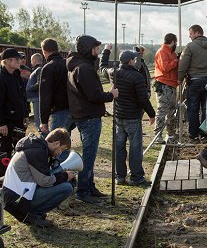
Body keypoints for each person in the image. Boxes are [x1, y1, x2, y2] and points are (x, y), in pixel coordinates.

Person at [66, 35, 119, 204]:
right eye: (96, 48)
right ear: (89, 49)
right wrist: (111, 95)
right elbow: (93, 95)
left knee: (89, 154)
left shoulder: (76, 66)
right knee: (89, 156)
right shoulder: (84, 69)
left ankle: (90, 186)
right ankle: (83, 191)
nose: (97, 52)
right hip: (89, 117)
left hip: (83, 115)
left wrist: (106, 52)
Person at [101, 46, 156, 186]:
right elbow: (143, 99)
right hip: (132, 117)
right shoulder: (137, 77)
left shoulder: (113, 73)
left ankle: (120, 176)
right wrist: (151, 114)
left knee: (119, 147)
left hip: (118, 116)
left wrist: (106, 51)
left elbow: (102, 67)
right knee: (135, 147)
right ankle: (136, 177)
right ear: (130, 61)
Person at [2, 129, 76, 228]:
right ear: (56, 143)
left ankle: (33, 214)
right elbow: (45, 181)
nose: (60, 153)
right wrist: (65, 176)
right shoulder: (38, 152)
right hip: (17, 200)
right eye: (61, 149)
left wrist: (60, 173)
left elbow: (42, 176)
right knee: (66, 188)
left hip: (15, 197)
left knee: (63, 185)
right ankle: (32, 215)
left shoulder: (37, 148)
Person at [178, 24, 207, 141]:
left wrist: (179, 79)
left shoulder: (190, 47)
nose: (189, 36)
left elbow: (183, 65)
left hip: (194, 81)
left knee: (193, 108)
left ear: (197, 33)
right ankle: (204, 133)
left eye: (191, 33)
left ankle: (194, 134)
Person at [0, 48, 29, 176]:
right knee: (4, 151)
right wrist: (1, 123)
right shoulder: (1, 78)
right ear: (7, 61)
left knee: (19, 149)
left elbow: (23, 98)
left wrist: (26, 114)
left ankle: (16, 177)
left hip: (19, 121)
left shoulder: (17, 76)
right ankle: (3, 180)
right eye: (17, 59)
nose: (20, 61)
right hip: (6, 124)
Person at [39, 38, 75, 135]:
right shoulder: (68, 64)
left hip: (59, 111)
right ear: (57, 49)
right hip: (73, 109)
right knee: (65, 143)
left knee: (56, 146)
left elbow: (45, 96)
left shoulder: (48, 67)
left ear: (44, 51)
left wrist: (44, 121)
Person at [153, 33, 179, 144]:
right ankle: (158, 135)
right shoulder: (162, 52)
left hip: (171, 85)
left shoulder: (170, 53)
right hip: (164, 85)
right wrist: (176, 61)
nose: (176, 45)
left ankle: (170, 134)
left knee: (171, 111)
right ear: (173, 41)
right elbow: (165, 67)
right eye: (176, 43)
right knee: (162, 110)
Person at [26, 53, 44, 129]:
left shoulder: (39, 69)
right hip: (35, 98)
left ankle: (43, 139)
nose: (31, 62)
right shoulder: (37, 69)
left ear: (34, 60)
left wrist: (29, 88)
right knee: (38, 121)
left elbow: (40, 83)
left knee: (38, 122)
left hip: (37, 98)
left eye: (31, 60)